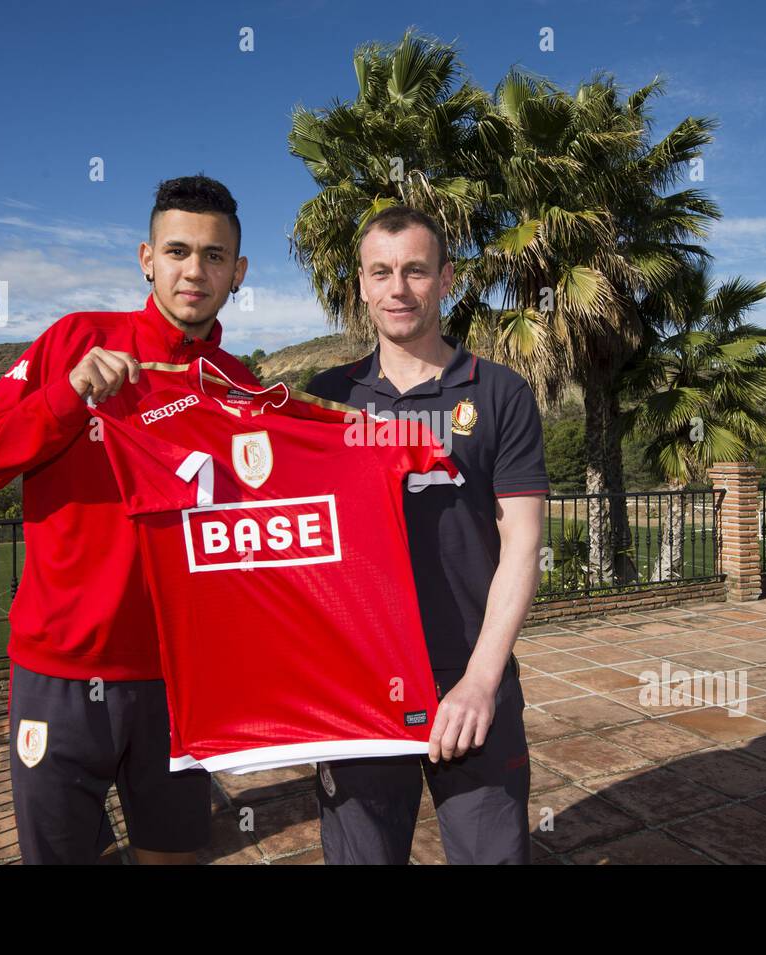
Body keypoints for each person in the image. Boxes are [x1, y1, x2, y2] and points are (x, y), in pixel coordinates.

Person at [0, 175, 260, 864]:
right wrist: (67, 395)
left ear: (239, 271)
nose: (193, 271)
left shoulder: (243, 389)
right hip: (59, 675)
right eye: (177, 251)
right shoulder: (76, 341)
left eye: (213, 255)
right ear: (147, 258)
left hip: (180, 681)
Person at [305, 206, 548, 864]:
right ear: (360, 284)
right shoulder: (326, 399)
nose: (398, 288)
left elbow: (523, 543)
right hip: (358, 686)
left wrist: (480, 679)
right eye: (381, 272)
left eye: (415, 270)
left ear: (446, 279)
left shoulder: (500, 393)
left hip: (470, 678)